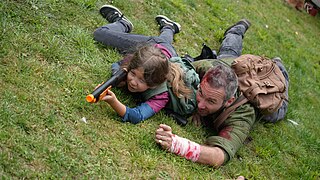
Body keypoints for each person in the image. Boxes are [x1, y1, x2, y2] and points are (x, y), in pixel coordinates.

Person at [155, 19, 290, 167]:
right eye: (200, 92)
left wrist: (176, 144)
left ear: (229, 101)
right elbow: (176, 70)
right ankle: (238, 29)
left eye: (211, 101)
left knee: (277, 111)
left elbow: (218, 156)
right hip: (235, 64)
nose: (200, 104)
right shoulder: (210, 68)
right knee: (228, 52)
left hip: (265, 91)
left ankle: (279, 66)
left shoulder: (242, 115)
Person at [92, 5, 199, 124]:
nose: (132, 81)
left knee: (165, 41)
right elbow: (116, 65)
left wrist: (114, 102)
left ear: (154, 84)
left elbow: (137, 116)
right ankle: (128, 24)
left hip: (167, 52)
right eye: (132, 73)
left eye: (141, 81)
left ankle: (165, 26)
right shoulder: (138, 60)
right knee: (100, 34)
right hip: (153, 46)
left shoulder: (161, 95)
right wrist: (118, 77)